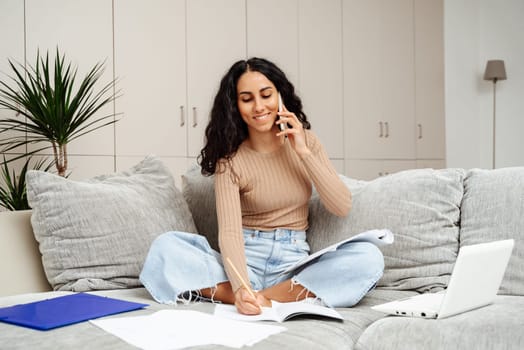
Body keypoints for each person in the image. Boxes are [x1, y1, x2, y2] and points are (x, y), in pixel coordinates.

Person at [139, 57, 384, 315]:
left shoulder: (307, 143)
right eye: (247, 99)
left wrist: (302, 151)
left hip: (294, 266)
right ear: (236, 106)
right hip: (246, 262)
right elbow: (230, 233)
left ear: (280, 95)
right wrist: (242, 285)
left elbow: (342, 205)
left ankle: (261, 299)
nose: (258, 107)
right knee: (166, 247)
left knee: (369, 258)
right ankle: (252, 296)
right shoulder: (230, 160)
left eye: (266, 95)